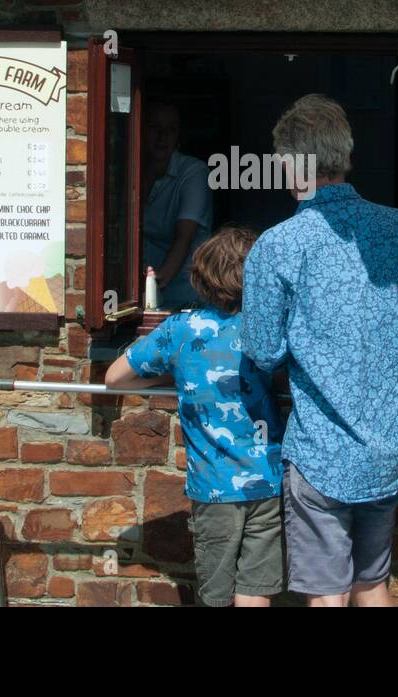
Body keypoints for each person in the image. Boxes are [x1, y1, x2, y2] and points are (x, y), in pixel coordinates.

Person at [241, 94, 398, 607]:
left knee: (326, 595)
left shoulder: (278, 246)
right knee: (372, 584)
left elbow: (262, 348)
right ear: (346, 156)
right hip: (384, 450)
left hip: (320, 452)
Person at [106, 226, 284, 607]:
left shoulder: (181, 329)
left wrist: (177, 373)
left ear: (200, 276)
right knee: (255, 592)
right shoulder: (270, 328)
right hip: (268, 481)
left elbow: (115, 378)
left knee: (216, 594)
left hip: (214, 488)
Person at [141, 99, 212, 310]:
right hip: (142, 296)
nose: (163, 137)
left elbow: (184, 239)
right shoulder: (130, 169)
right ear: (141, 129)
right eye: (155, 127)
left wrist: (155, 286)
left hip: (183, 299)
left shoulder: (194, 173)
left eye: (171, 129)